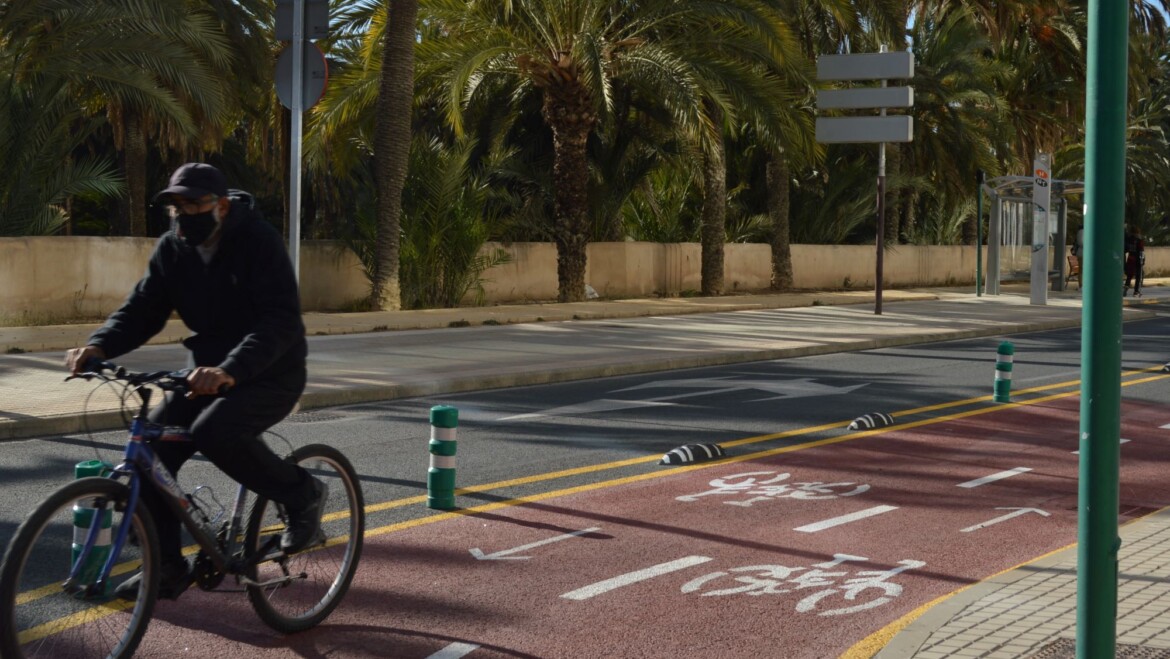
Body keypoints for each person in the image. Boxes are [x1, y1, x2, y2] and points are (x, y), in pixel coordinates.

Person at [65, 163, 326, 601]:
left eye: (193, 204)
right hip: (204, 375)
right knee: (151, 455)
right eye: (176, 207)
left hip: (270, 373)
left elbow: (279, 321)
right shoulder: (173, 250)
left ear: (221, 206)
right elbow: (142, 309)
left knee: (215, 431)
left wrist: (230, 369)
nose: (184, 215)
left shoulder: (258, 242)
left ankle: (302, 494)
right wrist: (99, 347)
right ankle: (167, 567)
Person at [1124, 225, 1145, 297]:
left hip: (1130, 258)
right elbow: (1141, 251)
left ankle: (1125, 289)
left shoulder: (1128, 239)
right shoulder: (1139, 240)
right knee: (1138, 276)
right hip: (1137, 259)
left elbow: (1126, 249)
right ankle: (1136, 292)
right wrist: (1143, 260)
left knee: (1129, 275)